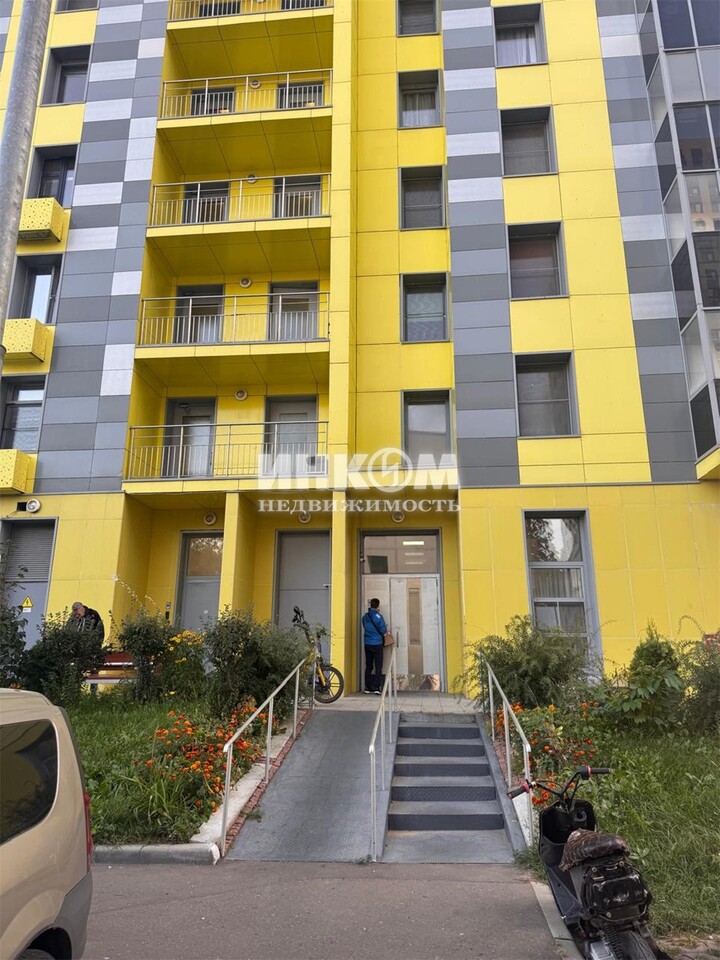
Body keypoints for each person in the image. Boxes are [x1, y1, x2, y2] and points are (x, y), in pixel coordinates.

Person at [361, 598, 387, 695]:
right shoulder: (379, 616)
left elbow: (365, 626)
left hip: (367, 643)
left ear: (370, 605)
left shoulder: (365, 617)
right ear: (377, 606)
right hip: (377, 644)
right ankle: (376, 687)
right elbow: (383, 630)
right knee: (378, 666)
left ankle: (367, 687)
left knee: (368, 666)